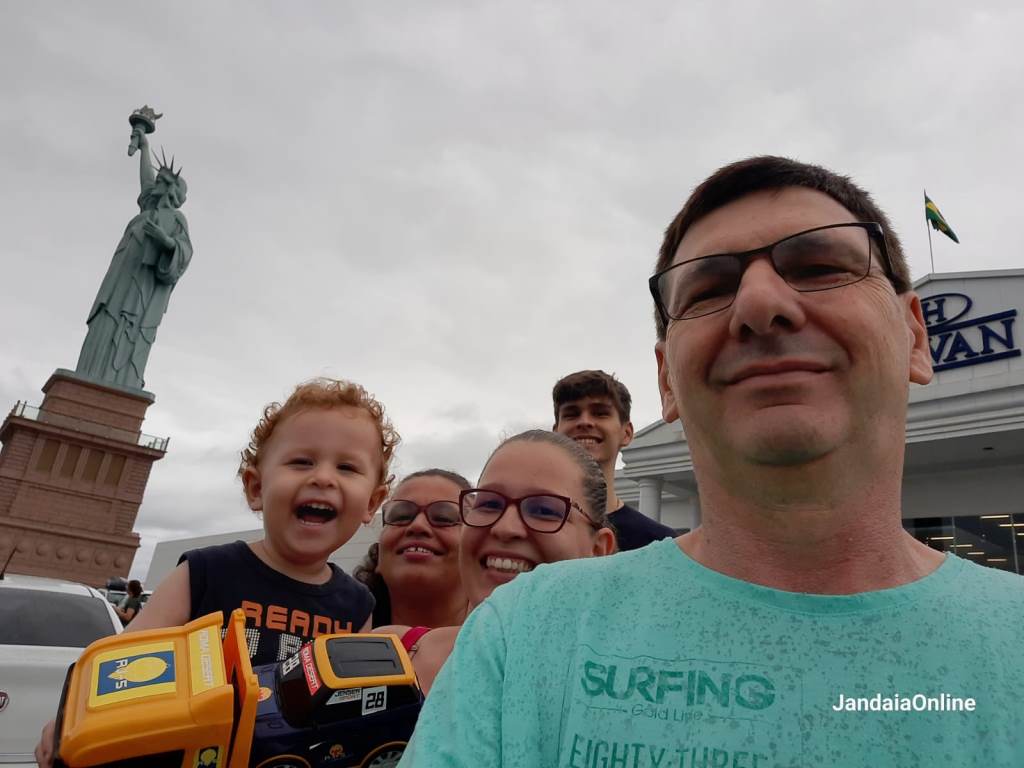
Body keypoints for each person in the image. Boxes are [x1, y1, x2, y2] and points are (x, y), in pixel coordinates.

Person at [400, 157, 1024, 766]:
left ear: (915, 336)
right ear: (666, 380)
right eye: (709, 290)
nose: (759, 303)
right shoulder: (522, 636)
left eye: (819, 267)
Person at [36, 377, 396, 768]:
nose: (323, 477)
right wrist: (71, 723)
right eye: (301, 462)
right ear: (256, 487)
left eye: (346, 467)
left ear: (371, 503)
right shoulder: (204, 572)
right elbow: (118, 665)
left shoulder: (358, 605)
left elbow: (354, 711)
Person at [382, 430, 615, 695]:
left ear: (599, 551)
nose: (505, 528)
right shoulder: (389, 654)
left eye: (544, 510)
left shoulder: (629, 693)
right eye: (489, 504)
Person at [75, 123, 192, 391]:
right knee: (103, 324)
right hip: (118, 283)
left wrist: (165, 241)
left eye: (161, 181)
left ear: (171, 190)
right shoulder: (148, 211)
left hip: (141, 292)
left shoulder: (176, 219)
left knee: (127, 333)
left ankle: (120, 383)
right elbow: (146, 182)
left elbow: (185, 253)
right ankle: (88, 374)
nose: (155, 183)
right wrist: (144, 147)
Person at [552, 369, 676, 550]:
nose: (584, 421)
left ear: (626, 433)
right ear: (555, 433)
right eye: (572, 414)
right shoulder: (524, 527)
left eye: (600, 413)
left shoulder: (658, 545)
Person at [353, 468, 470, 629]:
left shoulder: (503, 642)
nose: (418, 525)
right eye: (400, 516)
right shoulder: (330, 637)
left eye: (443, 518)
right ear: (378, 558)